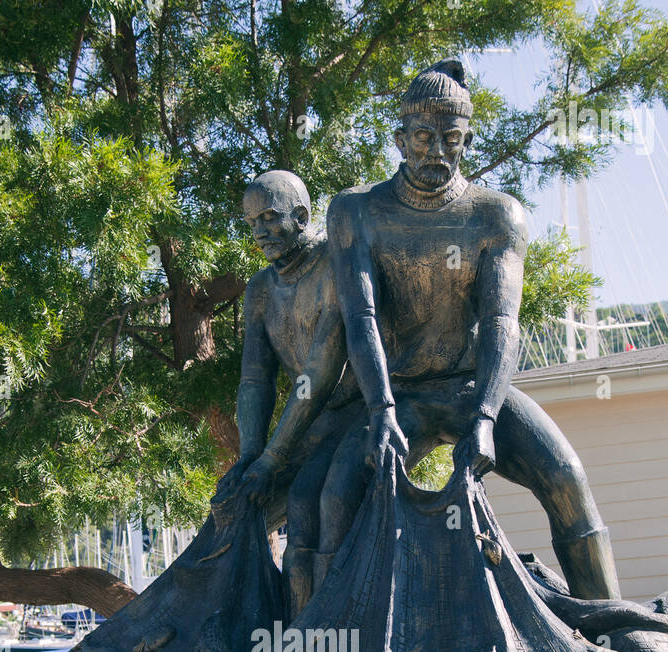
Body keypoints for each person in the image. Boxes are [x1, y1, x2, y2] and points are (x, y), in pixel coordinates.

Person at [320, 57, 620, 600]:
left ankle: (614, 628)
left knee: (568, 478)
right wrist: (381, 410)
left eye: (450, 138)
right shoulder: (356, 212)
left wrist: (485, 415)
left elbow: (504, 321)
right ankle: (321, 648)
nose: (436, 151)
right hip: (399, 396)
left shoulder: (496, 215)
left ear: (468, 139)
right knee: (336, 498)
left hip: (469, 388)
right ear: (399, 138)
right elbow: (360, 318)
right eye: (423, 137)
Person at [213, 170, 357, 614]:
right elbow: (254, 378)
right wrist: (252, 454)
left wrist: (274, 459)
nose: (259, 232)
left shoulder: (339, 263)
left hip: (358, 411)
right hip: (306, 424)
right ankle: (239, 622)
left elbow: (320, 371)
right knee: (229, 506)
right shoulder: (258, 290)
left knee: (310, 503)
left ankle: (319, 633)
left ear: (302, 215)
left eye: (270, 218)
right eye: (252, 222)